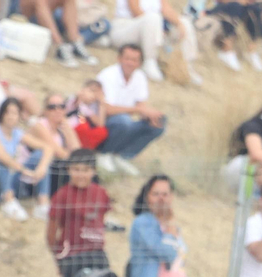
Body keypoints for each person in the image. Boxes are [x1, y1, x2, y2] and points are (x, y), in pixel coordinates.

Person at [0, 98, 53, 222]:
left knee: (39, 155)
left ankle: (42, 204)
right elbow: (0, 155)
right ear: (1, 114)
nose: (10, 116)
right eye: (7, 112)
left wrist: (42, 167)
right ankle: (8, 201)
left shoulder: (17, 133)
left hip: (9, 177)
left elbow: (47, 147)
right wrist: (24, 170)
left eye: (14, 113)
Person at [97, 44, 168, 175]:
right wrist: (138, 110)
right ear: (119, 59)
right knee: (123, 121)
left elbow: (141, 105)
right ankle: (104, 154)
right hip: (104, 123)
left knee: (160, 121)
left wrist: (149, 116)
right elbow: (107, 110)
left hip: (125, 124)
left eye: (134, 60)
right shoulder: (108, 75)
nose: (130, 63)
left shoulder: (140, 77)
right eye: (127, 58)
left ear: (139, 63)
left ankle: (123, 156)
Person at [48, 149, 112, 277]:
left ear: (94, 171)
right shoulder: (62, 195)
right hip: (72, 255)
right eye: (76, 169)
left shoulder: (101, 193)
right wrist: (59, 258)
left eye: (85, 170)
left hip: (97, 253)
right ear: (68, 170)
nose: (81, 174)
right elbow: (51, 231)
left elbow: (101, 220)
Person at [110, 0, 201, 85]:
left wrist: (179, 23)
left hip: (151, 28)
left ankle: (186, 67)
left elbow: (166, 9)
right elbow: (135, 11)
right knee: (153, 18)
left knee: (185, 22)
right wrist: (159, 28)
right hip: (125, 27)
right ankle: (150, 61)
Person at [67, 79, 108, 151]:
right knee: (83, 127)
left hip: (83, 133)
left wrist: (101, 104)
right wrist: (81, 96)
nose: (94, 95)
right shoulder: (75, 99)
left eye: (97, 93)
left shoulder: (94, 107)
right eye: (92, 91)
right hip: (69, 128)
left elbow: (100, 124)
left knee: (101, 131)